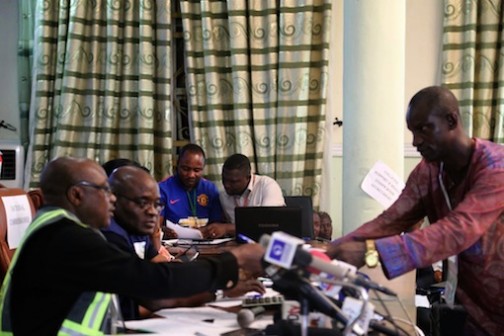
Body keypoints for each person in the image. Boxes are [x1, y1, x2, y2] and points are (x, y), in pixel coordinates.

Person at [0, 156, 264, 335]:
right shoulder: (66, 237)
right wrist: (235, 259)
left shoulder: (58, 229)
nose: (111, 200)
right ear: (77, 195)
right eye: (104, 191)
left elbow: (150, 293)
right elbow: (153, 281)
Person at [326, 86, 504, 335]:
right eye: (412, 131)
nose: (416, 141)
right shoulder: (428, 172)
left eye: (424, 129)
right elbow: (390, 220)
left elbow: (457, 231)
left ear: (451, 120)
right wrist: (332, 250)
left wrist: (369, 252)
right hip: (473, 310)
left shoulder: (496, 166)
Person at [103, 165, 265, 320]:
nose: (153, 212)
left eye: (157, 204)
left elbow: (164, 270)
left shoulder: (134, 228)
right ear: (113, 199)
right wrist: (221, 289)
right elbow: (159, 300)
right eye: (143, 202)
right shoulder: (111, 238)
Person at [201, 153, 285, 239]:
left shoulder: (267, 186)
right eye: (224, 179)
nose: (226, 185)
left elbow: (268, 224)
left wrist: (227, 228)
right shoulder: (223, 195)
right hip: (239, 243)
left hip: (267, 243)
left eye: (233, 182)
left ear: (248, 177)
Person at [158, 144, 224, 233]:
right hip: (174, 244)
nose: (191, 175)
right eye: (185, 169)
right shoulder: (163, 189)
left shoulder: (210, 189)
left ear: (203, 169)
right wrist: (164, 231)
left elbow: (218, 224)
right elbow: (156, 227)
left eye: (196, 170)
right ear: (177, 166)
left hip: (207, 243)